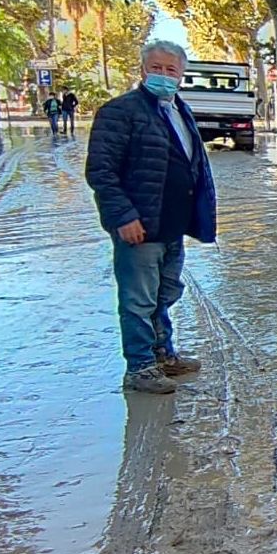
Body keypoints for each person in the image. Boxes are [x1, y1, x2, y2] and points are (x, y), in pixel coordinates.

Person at [84, 41, 217, 395]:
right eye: (156, 68)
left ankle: (163, 355)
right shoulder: (120, 111)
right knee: (138, 299)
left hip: (170, 224)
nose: (163, 75)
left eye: (170, 70)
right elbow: (101, 171)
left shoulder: (178, 110)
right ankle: (140, 367)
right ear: (143, 70)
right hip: (138, 226)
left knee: (165, 293)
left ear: (181, 75)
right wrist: (123, 216)